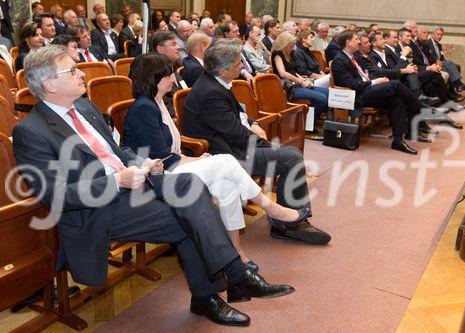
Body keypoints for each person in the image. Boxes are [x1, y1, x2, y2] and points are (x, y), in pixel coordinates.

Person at [13, 45, 295, 327]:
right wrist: (116, 181)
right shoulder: (31, 131)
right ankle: (229, 280)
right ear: (49, 83)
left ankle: (218, 287)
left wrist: (144, 162)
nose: (81, 74)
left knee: (190, 184)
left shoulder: (85, 107)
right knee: (192, 213)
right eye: (72, 70)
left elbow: (116, 152)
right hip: (97, 209)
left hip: (137, 185)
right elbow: (56, 195)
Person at [125, 53, 309, 268]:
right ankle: (273, 210)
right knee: (226, 162)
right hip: (155, 177)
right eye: (168, 75)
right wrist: (192, 160)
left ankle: (236, 254)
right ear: (153, 78)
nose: (174, 79)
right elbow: (161, 157)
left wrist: (193, 158)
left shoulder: (158, 103)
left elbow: (171, 151)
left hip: (172, 167)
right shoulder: (143, 109)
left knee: (227, 182)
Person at [184, 38, 331, 245]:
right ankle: (289, 225)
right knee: (290, 157)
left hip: (232, 143)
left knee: (288, 155)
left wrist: (252, 122)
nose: (243, 65)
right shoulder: (210, 93)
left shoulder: (217, 82)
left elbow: (237, 114)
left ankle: (289, 219)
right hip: (225, 154)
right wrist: (270, 146)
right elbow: (237, 134)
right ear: (223, 70)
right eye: (238, 64)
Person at [332, 30, 419, 154]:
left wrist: (376, 80)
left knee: (397, 100)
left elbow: (368, 74)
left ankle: (398, 141)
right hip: (356, 95)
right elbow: (353, 85)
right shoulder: (339, 60)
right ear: (348, 42)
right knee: (395, 84)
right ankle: (418, 107)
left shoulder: (355, 56)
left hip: (367, 89)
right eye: (356, 39)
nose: (359, 41)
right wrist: (374, 82)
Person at [271, 31, 329, 121]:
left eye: (293, 45)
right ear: (283, 44)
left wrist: (302, 79)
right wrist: (301, 81)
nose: (292, 48)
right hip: (288, 88)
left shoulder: (290, 53)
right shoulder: (277, 54)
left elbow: (292, 71)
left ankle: (309, 121)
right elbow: (283, 73)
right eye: (290, 46)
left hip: (296, 83)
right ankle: (304, 122)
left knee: (328, 93)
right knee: (322, 99)